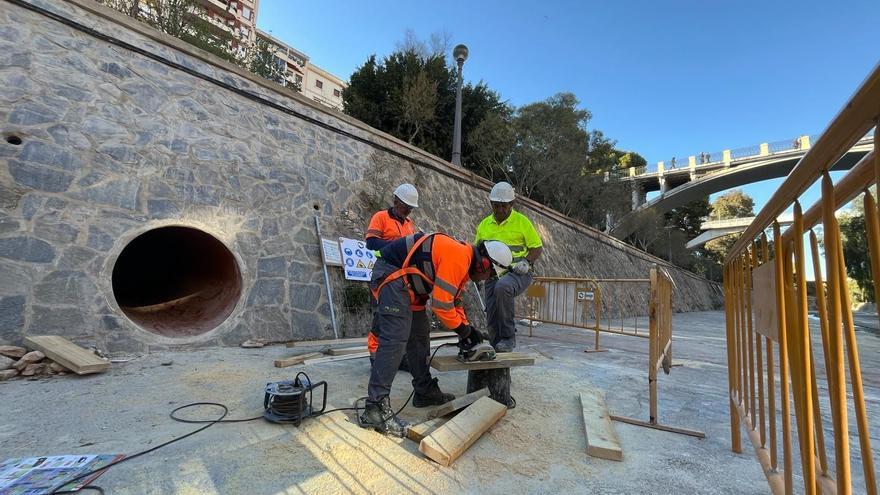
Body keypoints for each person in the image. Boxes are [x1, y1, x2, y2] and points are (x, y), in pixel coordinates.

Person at [359, 233, 513, 436]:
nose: (486, 280)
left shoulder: (464, 262)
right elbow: (441, 305)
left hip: (409, 284)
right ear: (485, 264)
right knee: (395, 337)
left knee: (420, 335)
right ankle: (375, 407)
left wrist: (468, 331)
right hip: (392, 275)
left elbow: (454, 302)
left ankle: (423, 391)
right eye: (490, 275)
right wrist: (464, 331)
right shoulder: (460, 256)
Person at [475, 182, 543, 353]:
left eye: (504, 206)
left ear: (511, 204)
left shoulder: (522, 222)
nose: (499, 210)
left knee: (503, 288)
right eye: (496, 206)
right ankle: (495, 341)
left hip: (518, 271)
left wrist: (526, 262)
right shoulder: (484, 224)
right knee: (491, 305)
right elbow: (478, 250)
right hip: (492, 273)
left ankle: (507, 337)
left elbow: (537, 247)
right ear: (491, 204)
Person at [365, 184, 419, 367]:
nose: (408, 211)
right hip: (384, 269)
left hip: (402, 273)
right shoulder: (380, 217)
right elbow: (371, 243)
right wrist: (395, 246)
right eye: (406, 207)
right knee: (382, 314)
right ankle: (375, 355)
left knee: (401, 315)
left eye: (411, 208)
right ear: (396, 201)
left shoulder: (409, 224)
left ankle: (399, 356)